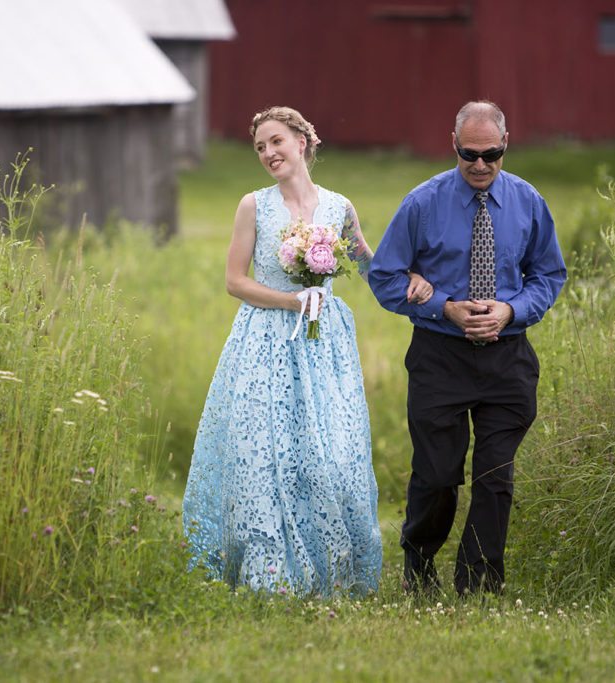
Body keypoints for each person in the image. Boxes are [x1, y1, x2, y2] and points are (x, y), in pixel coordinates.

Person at [182, 106, 433, 596]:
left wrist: (416, 284)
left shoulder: (339, 207)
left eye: (276, 141)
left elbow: (370, 268)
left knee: (328, 454)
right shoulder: (253, 205)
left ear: (302, 141)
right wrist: (291, 300)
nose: (268, 153)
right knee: (264, 454)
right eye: (260, 147)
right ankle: (269, 575)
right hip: (264, 339)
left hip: (324, 345)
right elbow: (235, 281)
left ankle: (330, 570)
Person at [368, 100, 566, 597]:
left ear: (506, 145)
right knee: (437, 475)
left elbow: (548, 275)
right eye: (469, 154)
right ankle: (418, 563)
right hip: (440, 355)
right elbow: (385, 276)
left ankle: (479, 583)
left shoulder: (528, 201)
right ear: (453, 144)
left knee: (495, 476)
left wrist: (512, 311)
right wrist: (443, 306)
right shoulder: (422, 203)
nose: (480, 165)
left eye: (491, 154)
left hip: (508, 357)